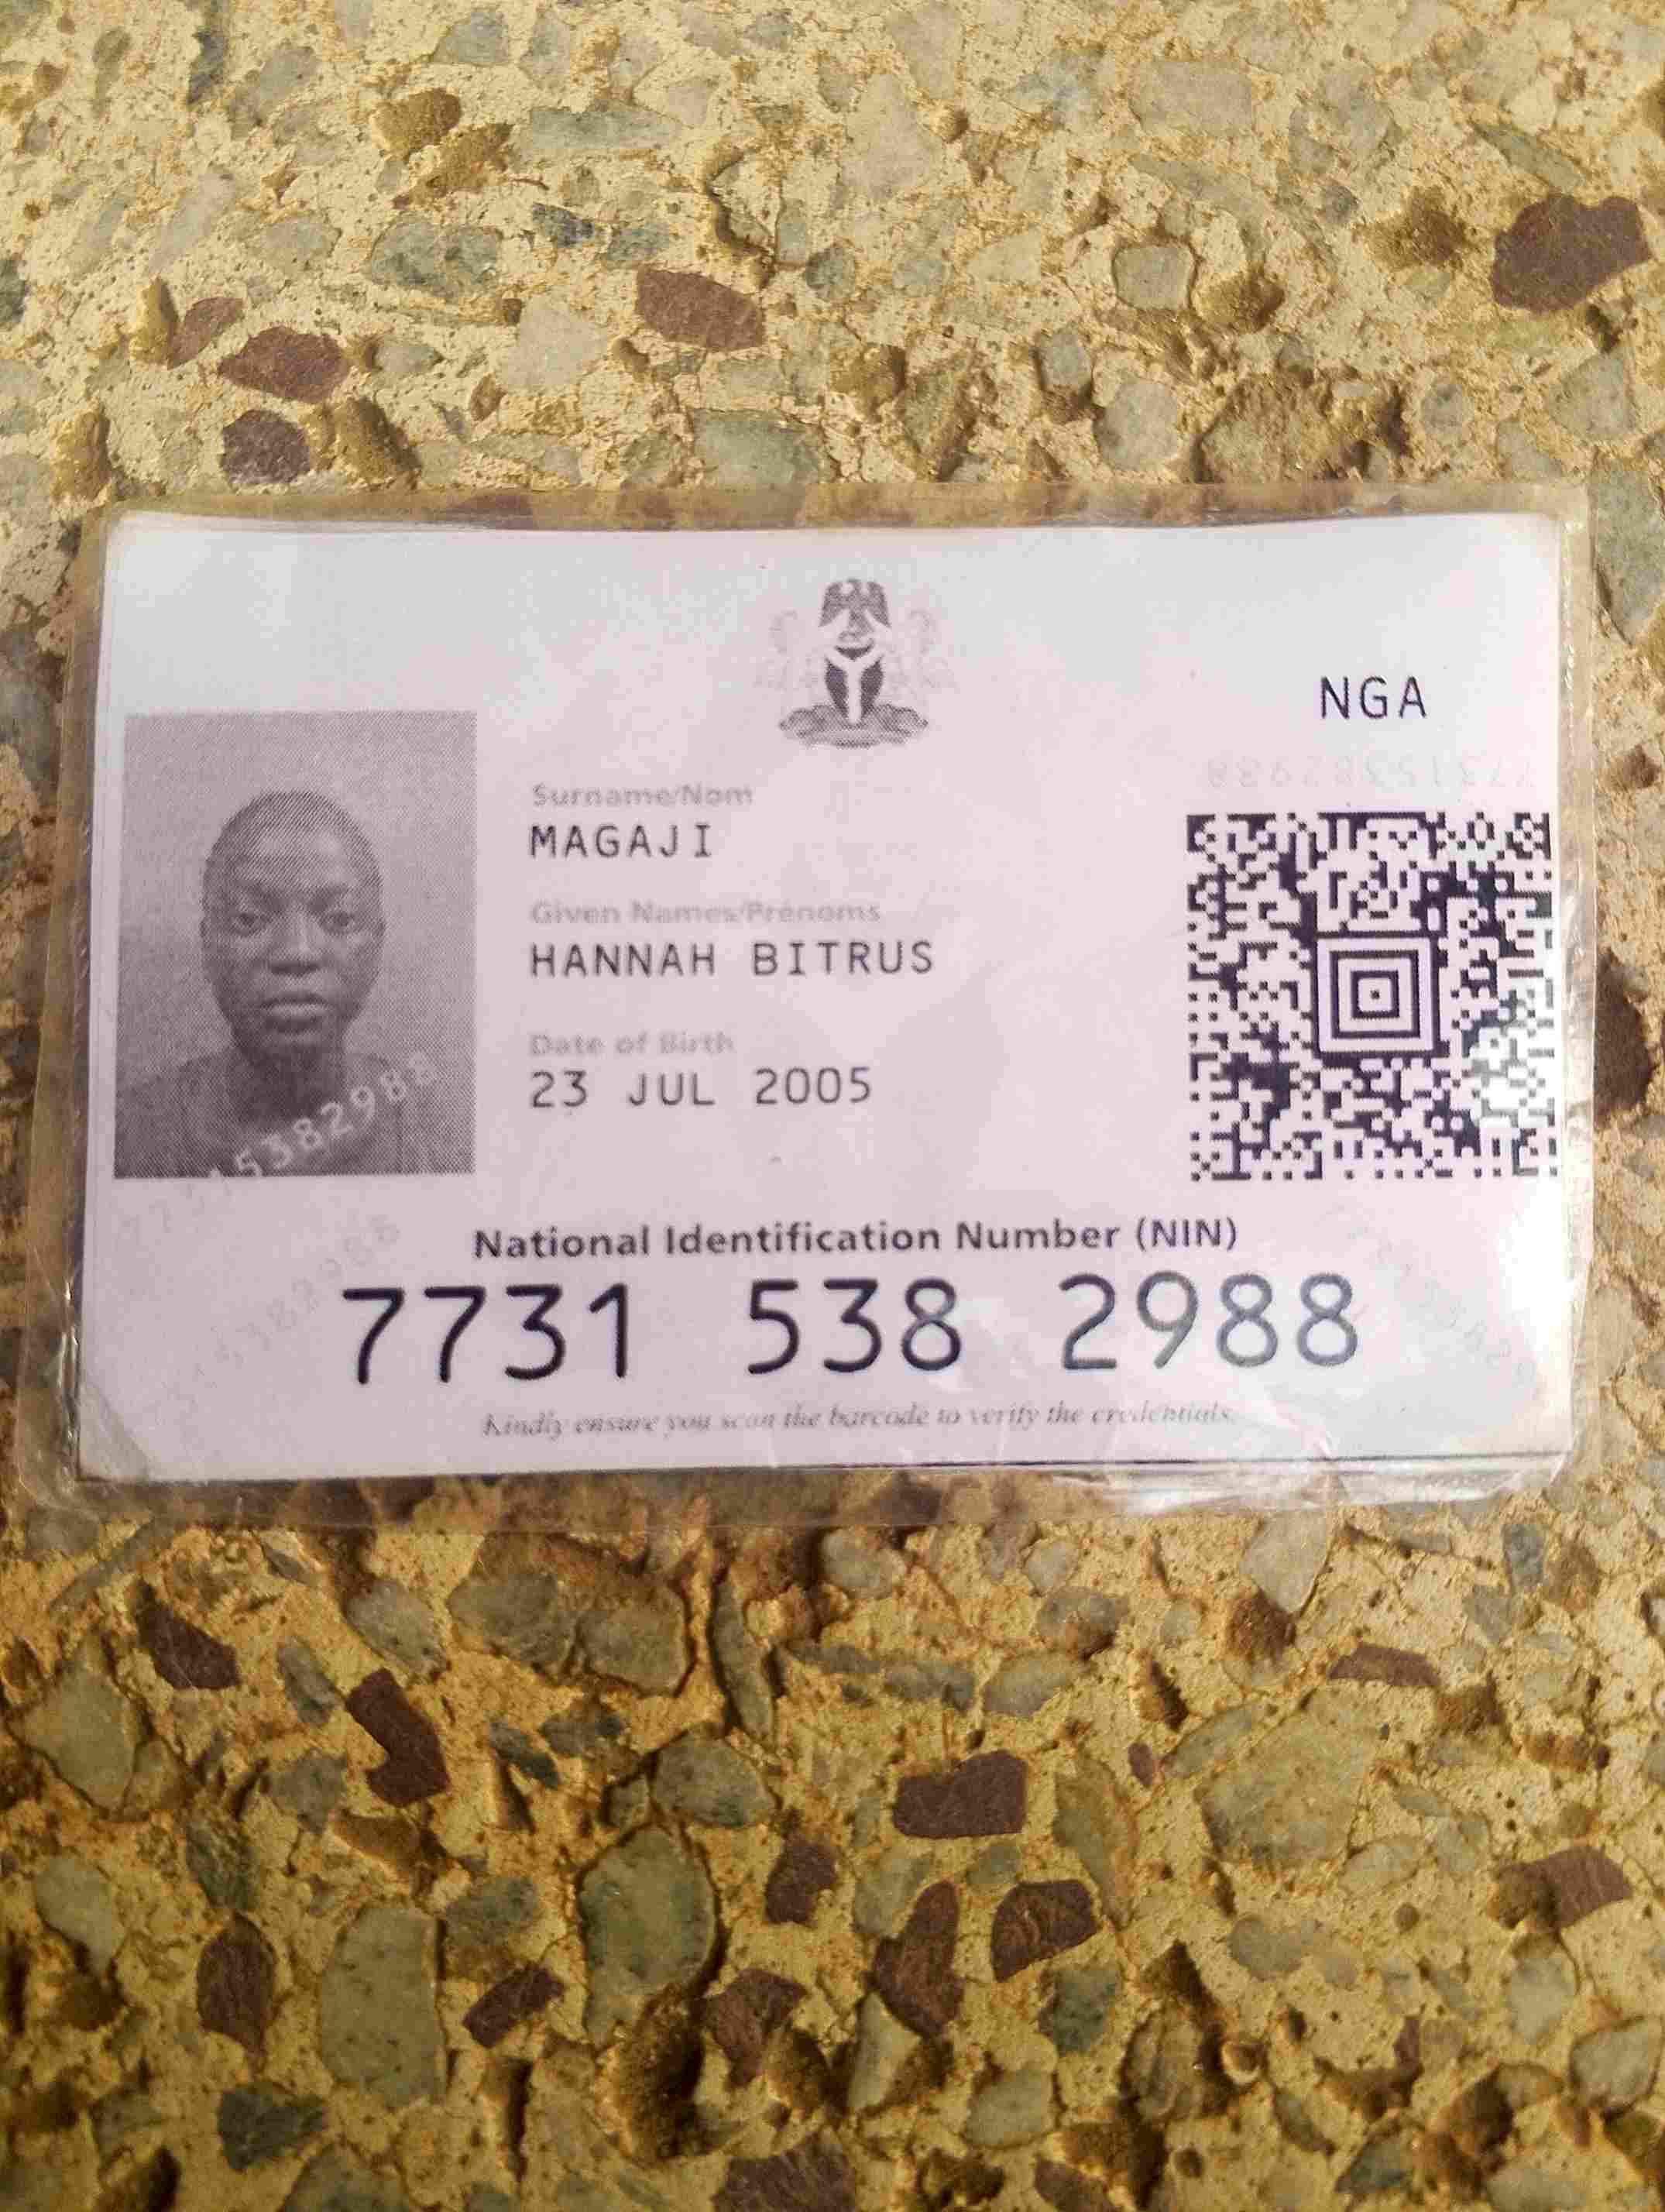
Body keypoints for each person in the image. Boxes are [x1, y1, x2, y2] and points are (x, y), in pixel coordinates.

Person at [116, 790, 459, 1177]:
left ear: (376, 945)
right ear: (207, 944)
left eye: (339, 918)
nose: (298, 952)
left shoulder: (428, 1129)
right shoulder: (133, 1136)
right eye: (250, 918)